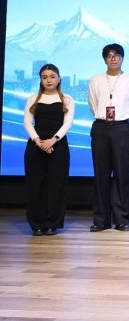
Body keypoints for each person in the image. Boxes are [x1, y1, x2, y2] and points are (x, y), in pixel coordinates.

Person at [87, 43, 129, 232]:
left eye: (117, 55)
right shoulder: (96, 79)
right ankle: (101, 220)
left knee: (122, 175)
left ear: (122, 58)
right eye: (109, 55)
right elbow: (93, 103)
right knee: (100, 175)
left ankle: (122, 219)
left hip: (122, 128)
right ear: (104, 59)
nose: (113, 58)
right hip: (100, 128)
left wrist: (124, 120)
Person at [23, 64, 74, 236]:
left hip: (58, 144)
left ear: (59, 78)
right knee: (35, 184)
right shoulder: (33, 98)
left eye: (52, 76)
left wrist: (53, 140)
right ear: (40, 80)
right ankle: (37, 224)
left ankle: (53, 223)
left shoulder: (67, 99)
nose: (49, 80)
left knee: (57, 185)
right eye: (44, 77)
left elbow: (68, 123)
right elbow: (27, 122)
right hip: (36, 144)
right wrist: (38, 142)